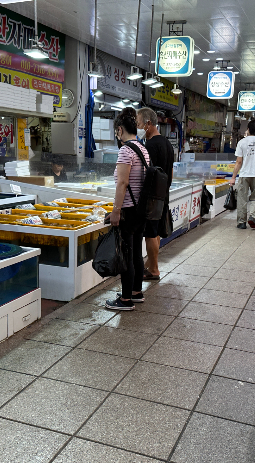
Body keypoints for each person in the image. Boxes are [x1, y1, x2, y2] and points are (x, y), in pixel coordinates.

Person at [105, 107, 150, 311]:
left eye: (116, 131)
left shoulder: (126, 150)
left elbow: (122, 183)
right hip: (141, 208)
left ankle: (125, 300)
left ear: (120, 130)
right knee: (136, 253)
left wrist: (116, 210)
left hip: (129, 210)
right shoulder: (142, 148)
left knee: (127, 254)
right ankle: (136, 291)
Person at [137, 107, 173, 281]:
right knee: (156, 231)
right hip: (163, 193)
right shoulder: (167, 143)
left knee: (150, 233)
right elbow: (171, 171)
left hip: (152, 196)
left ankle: (154, 270)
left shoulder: (149, 146)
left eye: (139, 123)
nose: (138, 126)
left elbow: (146, 173)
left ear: (148, 124)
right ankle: (150, 265)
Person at [229, 119, 255, 229]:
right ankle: (252, 216)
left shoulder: (242, 142)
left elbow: (239, 161)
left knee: (242, 197)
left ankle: (241, 222)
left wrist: (233, 178)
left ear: (248, 129)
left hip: (244, 174)